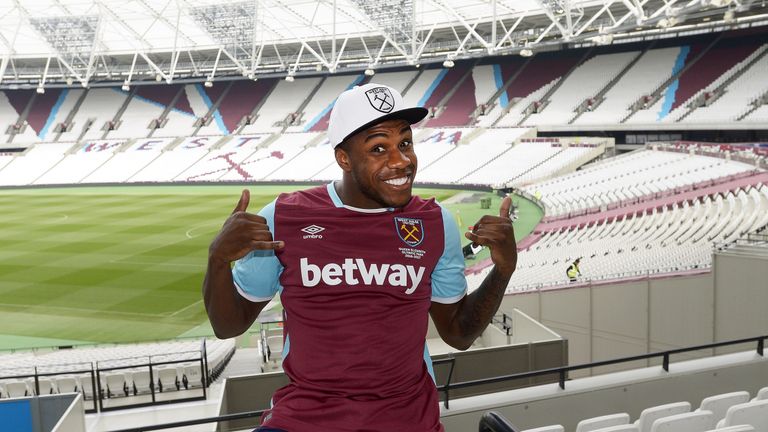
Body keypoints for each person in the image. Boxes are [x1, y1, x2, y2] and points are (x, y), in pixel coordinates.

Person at [203, 83, 518, 432]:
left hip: (406, 421)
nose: (401, 161)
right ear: (344, 158)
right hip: (304, 420)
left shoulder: (435, 221)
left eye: (405, 143)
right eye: (379, 148)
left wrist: (503, 270)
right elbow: (228, 325)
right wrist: (218, 258)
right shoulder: (284, 217)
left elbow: (458, 334)